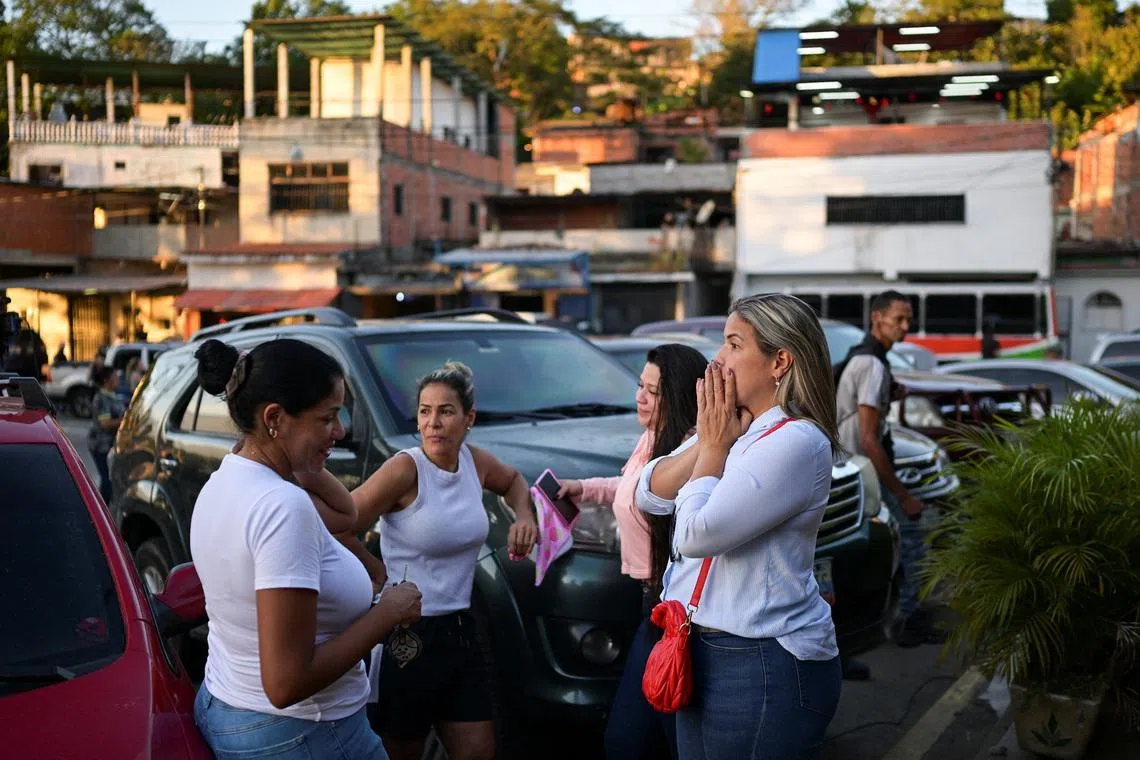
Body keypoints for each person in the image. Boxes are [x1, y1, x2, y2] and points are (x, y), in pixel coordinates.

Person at [190, 337, 422, 759]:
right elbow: (286, 683)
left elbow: (346, 515)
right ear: (275, 417)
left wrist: (298, 458)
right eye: (328, 417)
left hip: (231, 707)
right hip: (303, 732)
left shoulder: (226, 481)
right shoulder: (282, 506)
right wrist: (389, 611)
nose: (341, 430)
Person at [636, 294, 843, 760]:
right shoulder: (738, 430)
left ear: (780, 361)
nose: (718, 361)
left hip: (762, 658)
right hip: (703, 646)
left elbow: (694, 534)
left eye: (733, 345)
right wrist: (711, 441)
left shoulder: (796, 440)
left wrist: (711, 449)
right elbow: (647, 493)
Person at [349, 361, 539, 760]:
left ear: (468, 419)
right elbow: (341, 524)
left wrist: (524, 516)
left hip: (460, 629)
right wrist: (373, 568)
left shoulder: (474, 461)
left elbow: (514, 481)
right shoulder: (405, 468)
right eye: (424, 411)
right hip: (406, 633)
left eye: (446, 411)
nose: (433, 422)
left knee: (478, 752)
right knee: (402, 752)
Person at [556, 344, 708, 760]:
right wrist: (583, 489)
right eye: (640, 385)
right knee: (637, 740)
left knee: (652, 738)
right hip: (649, 604)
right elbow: (632, 487)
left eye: (652, 391)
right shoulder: (651, 439)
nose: (639, 397)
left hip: (675, 609)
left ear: (676, 395)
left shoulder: (691, 451)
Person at [835, 290, 944, 649]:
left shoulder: (868, 357)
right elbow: (868, 439)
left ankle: (891, 618)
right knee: (913, 538)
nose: (906, 327)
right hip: (863, 476)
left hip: (854, 476)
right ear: (877, 318)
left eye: (909, 319)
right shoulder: (872, 364)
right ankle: (907, 622)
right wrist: (902, 494)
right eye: (899, 319)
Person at [87, 365, 125, 503]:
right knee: (106, 479)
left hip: (110, 445)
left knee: (110, 478)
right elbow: (105, 423)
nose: (117, 380)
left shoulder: (112, 395)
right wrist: (126, 420)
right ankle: (103, 509)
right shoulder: (101, 398)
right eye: (115, 377)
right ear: (106, 380)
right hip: (100, 445)